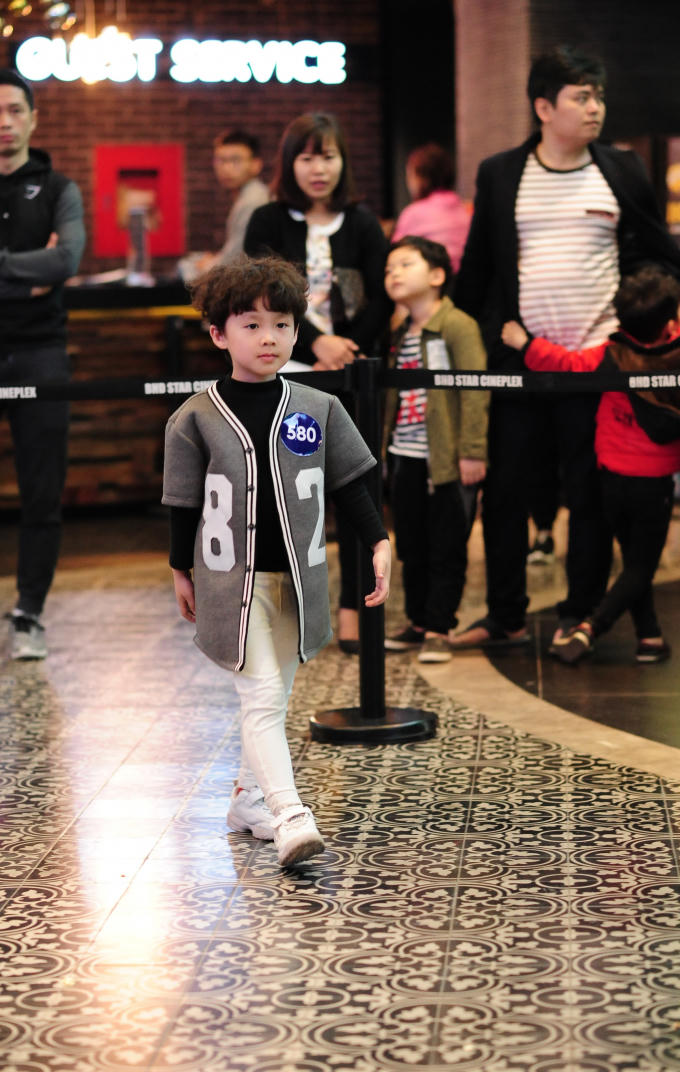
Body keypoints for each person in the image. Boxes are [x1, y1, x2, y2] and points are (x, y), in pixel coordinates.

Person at [162, 255, 391, 867]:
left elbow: (349, 485)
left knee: (271, 698)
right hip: (229, 586)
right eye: (252, 325)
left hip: (299, 581)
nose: (269, 338)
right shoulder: (194, 417)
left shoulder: (317, 406)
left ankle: (247, 801)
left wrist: (379, 540)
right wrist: (180, 569)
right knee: (262, 695)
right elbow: (183, 504)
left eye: (282, 325)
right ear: (219, 334)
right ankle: (291, 816)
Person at [452, 45, 680, 651]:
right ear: (544, 107)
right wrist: (486, 338)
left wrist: (637, 324)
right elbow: (477, 271)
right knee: (506, 493)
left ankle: (578, 614)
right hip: (520, 366)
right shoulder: (502, 173)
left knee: (588, 498)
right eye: (582, 96)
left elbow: (660, 254)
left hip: (598, 366)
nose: (595, 107)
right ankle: (504, 615)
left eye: (598, 95)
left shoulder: (622, 169)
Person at [244, 112, 390, 651]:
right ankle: (287, 609)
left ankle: (353, 608)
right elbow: (261, 297)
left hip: (352, 375)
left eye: (328, 156)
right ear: (290, 163)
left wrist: (345, 349)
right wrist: (315, 344)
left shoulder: (362, 223)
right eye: (307, 157)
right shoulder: (267, 220)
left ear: (343, 162)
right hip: (286, 377)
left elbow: (382, 296)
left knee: (355, 494)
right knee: (288, 498)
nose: (318, 168)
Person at [502, 265, 680, 664]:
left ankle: (650, 636)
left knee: (635, 558)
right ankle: (591, 627)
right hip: (654, 482)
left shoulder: (610, 354)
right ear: (670, 323)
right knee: (640, 565)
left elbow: (565, 364)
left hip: (612, 478)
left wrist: (526, 343)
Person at [0, 68, 85, 660]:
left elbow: (68, 260)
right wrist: (28, 270)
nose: (4, 123)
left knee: (42, 492)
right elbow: (46, 266)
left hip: (41, 352)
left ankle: (29, 612)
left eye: (14, 110)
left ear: (33, 119)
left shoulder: (59, 189)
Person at [382, 237, 487, 663]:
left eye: (406, 264)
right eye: (389, 268)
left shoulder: (457, 325)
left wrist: (473, 450)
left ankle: (440, 627)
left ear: (438, 275)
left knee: (447, 544)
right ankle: (418, 621)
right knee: (411, 544)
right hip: (404, 454)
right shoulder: (399, 332)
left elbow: (476, 389)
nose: (394, 273)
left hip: (445, 458)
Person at [180, 130, 269, 279]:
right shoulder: (248, 196)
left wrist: (208, 264)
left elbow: (235, 260)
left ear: (256, 164)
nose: (226, 168)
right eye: (221, 160)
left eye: (235, 160)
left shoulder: (252, 201)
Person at [391, 143, 472, 274]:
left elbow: (396, 254)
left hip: (433, 280)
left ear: (421, 178)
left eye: (410, 175)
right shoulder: (465, 209)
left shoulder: (414, 213)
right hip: (466, 279)